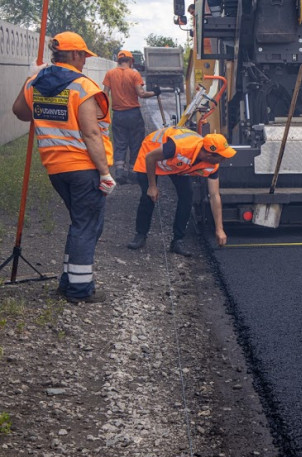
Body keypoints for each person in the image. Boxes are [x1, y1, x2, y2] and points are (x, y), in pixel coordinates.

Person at [12, 31, 115, 303]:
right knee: (88, 226)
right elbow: (92, 133)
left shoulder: (38, 81)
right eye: (84, 55)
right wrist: (104, 172)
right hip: (84, 166)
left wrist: (29, 78)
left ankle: (68, 282)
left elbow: (21, 113)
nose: (84, 61)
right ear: (77, 54)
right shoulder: (82, 85)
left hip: (56, 168)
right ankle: (80, 290)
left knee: (81, 224)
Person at [127, 127, 236, 256]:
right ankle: (140, 235)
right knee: (148, 196)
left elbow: (214, 195)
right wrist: (152, 186)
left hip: (177, 165)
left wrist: (219, 229)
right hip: (151, 154)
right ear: (209, 154)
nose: (224, 161)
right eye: (222, 157)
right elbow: (150, 157)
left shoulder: (212, 165)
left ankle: (177, 241)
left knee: (187, 196)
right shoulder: (179, 147)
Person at [103, 50, 161, 183]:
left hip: (118, 114)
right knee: (135, 143)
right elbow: (141, 94)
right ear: (130, 61)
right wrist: (154, 92)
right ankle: (133, 172)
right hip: (133, 114)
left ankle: (119, 172)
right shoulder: (134, 74)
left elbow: (104, 94)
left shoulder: (110, 74)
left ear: (118, 60)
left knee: (120, 143)